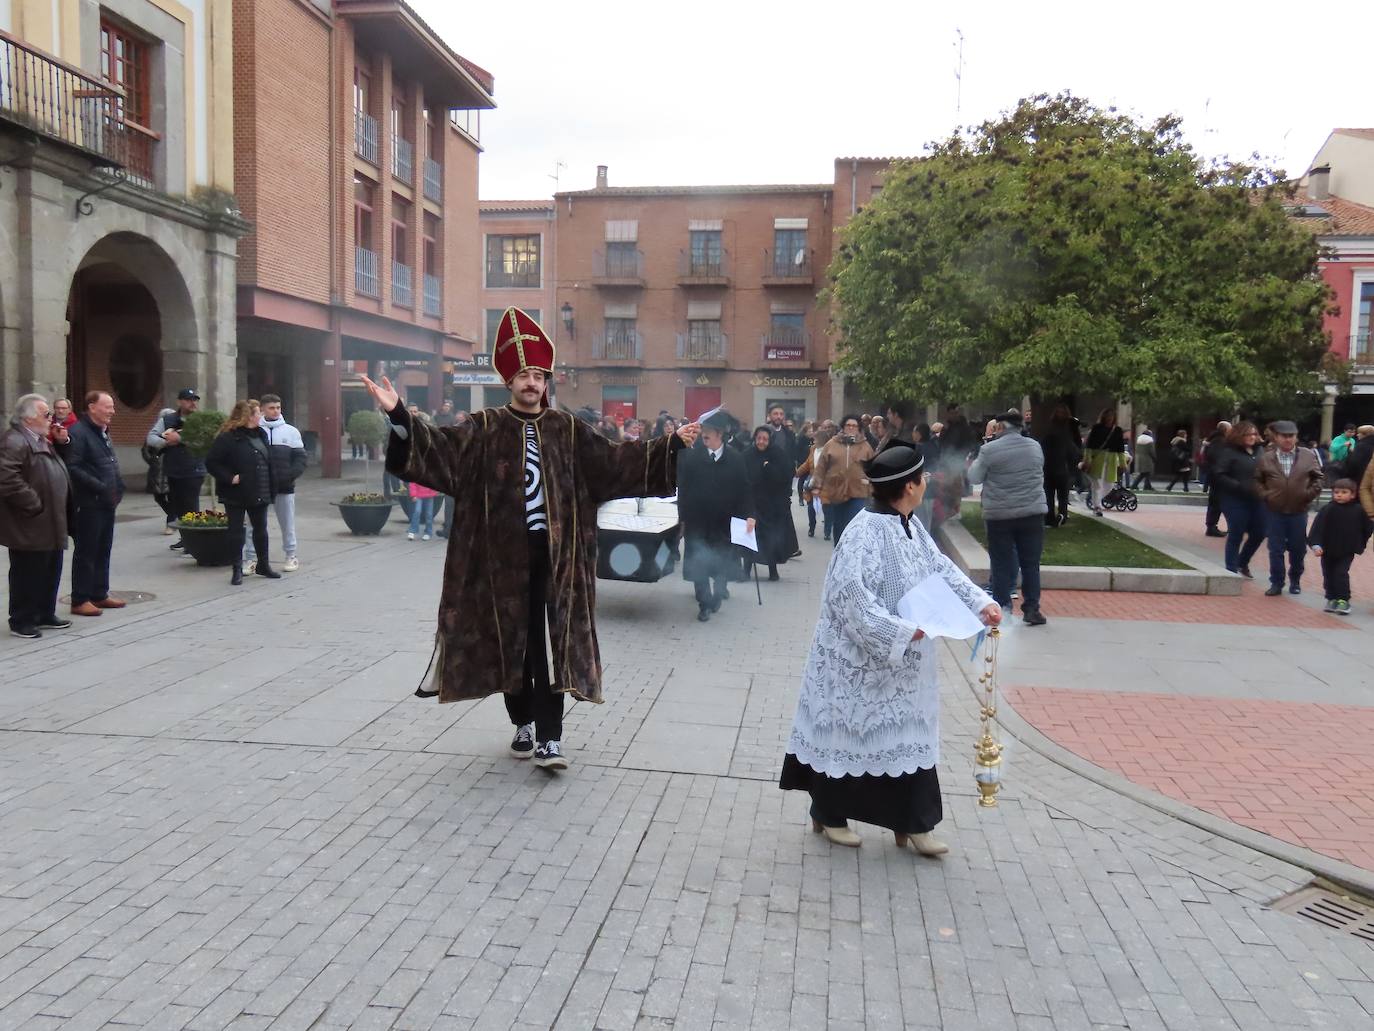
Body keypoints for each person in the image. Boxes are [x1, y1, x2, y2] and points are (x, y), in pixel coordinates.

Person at [361, 307, 700, 771]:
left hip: (558, 556)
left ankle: (550, 737)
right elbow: (436, 451)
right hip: (500, 557)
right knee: (512, 641)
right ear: (509, 380)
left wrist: (671, 444)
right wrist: (399, 414)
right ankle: (522, 720)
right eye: (524, 374)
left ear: (547, 381)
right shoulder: (482, 428)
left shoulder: (569, 430)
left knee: (550, 642)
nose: (532, 382)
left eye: (539, 375)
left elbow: (615, 462)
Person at [780, 441, 1001, 854]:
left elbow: (941, 569)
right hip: (859, 666)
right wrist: (901, 631)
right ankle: (827, 814)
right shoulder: (862, 533)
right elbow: (850, 600)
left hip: (906, 669)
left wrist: (980, 602)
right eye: (922, 478)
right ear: (910, 486)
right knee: (850, 735)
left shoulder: (910, 523)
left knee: (908, 739)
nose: (926, 483)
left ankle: (913, 823)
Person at [0, 394, 73, 639]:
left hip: (49, 519)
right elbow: (7, 478)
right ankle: (22, 620)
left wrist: (62, 444)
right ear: (29, 418)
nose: (51, 418)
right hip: (30, 521)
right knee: (27, 572)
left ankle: (44, 613)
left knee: (49, 568)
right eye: (46, 414)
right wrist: (33, 503)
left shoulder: (40, 438)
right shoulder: (14, 440)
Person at [969, 410, 1048, 625]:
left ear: (1000, 428)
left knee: (1001, 563)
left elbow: (974, 477)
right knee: (1031, 564)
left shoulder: (989, 450)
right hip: (1032, 513)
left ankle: (1003, 608)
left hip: (999, 515)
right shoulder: (1035, 447)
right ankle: (1032, 608)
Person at [679, 412, 754, 621]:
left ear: (720, 434)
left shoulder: (736, 459)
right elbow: (683, 489)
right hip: (697, 522)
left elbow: (745, 490)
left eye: (709, 431)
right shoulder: (692, 458)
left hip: (724, 523)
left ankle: (720, 590)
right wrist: (682, 518)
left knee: (722, 560)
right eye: (703, 430)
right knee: (699, 561)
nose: (704, 434)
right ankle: (704, 604)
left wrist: (750, 515)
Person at [63, 392, 126, 616]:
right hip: (88, 503)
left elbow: (109, 461)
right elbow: (73, 467)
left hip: (106, 502)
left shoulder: (102, 431)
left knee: (103, 549)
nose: (112, 411)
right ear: (92, 407)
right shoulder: (79, 433)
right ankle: (80, 599)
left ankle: (99, 594)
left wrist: (119, 486)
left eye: (112, 407)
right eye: (107, 407)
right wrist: (100, 486)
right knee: (87, 552)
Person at [206, 400, 281, 587]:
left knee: (261, 529)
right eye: (257, 413)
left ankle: (263, 565)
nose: (260, 416)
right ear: (247, 416)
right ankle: (237, 569)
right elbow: (212, 462)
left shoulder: (261, 434)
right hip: (236, 492)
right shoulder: (228, 437)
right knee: (236, 532)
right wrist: (230, 477)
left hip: (259, 488)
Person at [1255, 420, 1323, 597]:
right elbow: (1257, 480)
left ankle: (1295, 580)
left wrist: (1308, 494)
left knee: (1298, 548)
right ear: (1276, 438)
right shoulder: (1266, 457)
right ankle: (1276, 582)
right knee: (1275, 549)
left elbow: (1318, 478)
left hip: (1298, 510)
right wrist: (1266, 495)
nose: (1287, 440)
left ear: (1296, 437)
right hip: (1274, 510)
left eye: (1291, 436)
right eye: (1284, 436)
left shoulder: (1307, 455)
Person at [244, 394, 306, 574]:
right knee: (253, 525)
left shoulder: (291, 431)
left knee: (287, 523)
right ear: (262, 409)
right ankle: (250, 559)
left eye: (278, 407)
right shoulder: (253, 431)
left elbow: (300, 458)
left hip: (284, 486)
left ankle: (291, 555)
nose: (276, 411)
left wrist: (289, 476)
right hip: (259, 487)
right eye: (272, 408)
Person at [146, 388, 206, 544]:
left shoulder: (200, 420)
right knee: (178, 506)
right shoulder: (168, 419)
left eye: (194, 400)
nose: (192, 403)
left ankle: (194, 541)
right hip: (173, 469)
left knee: (191, 506)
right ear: (179, 402)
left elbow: (204, 440)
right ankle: (185, 539)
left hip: (194, 469)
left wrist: (180, 438)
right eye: (188, 400)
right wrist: (166, 442)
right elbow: (151, 438)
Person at [1208, 421, 1266, 577]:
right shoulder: (1229, 452)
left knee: (1260, 532)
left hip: (1257, 498)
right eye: (1248, 434)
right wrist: (1238, 485)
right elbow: (1219, 474)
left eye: (1254, 434)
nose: (1252, 437)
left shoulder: (1260, 451)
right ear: (1239, 435)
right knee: (1237, 532)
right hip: (1234, 499)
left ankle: (1243, 562)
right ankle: (1231, 570)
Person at [1309, 478, 1372, 614]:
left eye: (1344, 492)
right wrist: (1316, 544)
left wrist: (1359, 543)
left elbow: (1367, 528)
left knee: (1340, 573)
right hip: (1327, 550)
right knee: (1328, 574)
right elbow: (1317, 528)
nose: (1339, 495)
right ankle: (1331, 598)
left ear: (1353, 494)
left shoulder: (1358, 510)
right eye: (1336, 492)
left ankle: (1343, 600)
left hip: (1346, 551)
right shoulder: (1328, 509)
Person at [743, 426, 793, 581]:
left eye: (765, 439)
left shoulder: (777, 454)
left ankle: (773, 570)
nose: (761, 442)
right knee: (750, 537)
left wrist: (768, 468)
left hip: (772, 504)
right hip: (752, 503)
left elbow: (785, 476)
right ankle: (746, 571)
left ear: (769, 440)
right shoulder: (747, 455)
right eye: (758, 438)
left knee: (770, 538)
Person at [816, 415, 875, 544]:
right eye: (848, 425)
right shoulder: (832, 444)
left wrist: (872, 487)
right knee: (838, 525)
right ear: (843, 427)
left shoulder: (865, 446)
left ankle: (852, 553)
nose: (851, 428)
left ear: (859, 428)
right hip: (836, 491)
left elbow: (873, 469)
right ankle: (839, 551)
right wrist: (817, 484)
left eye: (854, 426)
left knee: (853, 523)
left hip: (858, 491)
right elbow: (821, 466)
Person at [1038, 403, 1081, 528]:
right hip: (1054, 463)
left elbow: (1076, 444)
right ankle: (1053, 516)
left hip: (1061, 463)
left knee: (1060, 493)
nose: (1060, 414)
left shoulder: (1069, 426)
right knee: (1051, 493)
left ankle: (1060, 515)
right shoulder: (1052, 428)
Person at [1081, 408, 1126, 514]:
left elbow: (1120, 449)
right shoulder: (1097, 428)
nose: (1109, 418)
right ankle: (1097, 507)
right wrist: (1087, 459)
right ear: (1103, 417)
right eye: (1107, 415)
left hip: (1111, 460)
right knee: (1096, 483)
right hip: (1098, 459)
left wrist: (1123, 463)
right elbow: (1089, 445)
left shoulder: (1118, 430)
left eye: (1111, 416)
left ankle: (1095, 498)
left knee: (1109, 484)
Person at [796, 422, 835, 540]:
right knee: (810, 506)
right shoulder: (813, 449)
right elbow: (807, 464)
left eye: (815, 439)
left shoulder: (830, 450)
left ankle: (827, 531)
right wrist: (796, 473)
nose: (813, 441)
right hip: (812, 481)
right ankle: (811, 528)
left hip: (826, 482)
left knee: (827, 508)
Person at [1199, 421, 1230, 537]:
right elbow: (1217, 459)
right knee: (1217, 502)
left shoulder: (1213, 440)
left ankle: (1212, 526)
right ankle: (1212, 526)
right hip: (1218, 477)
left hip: (1214, 476)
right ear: (1225, 430)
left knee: (1216, 502)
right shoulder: (1219, 441)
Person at [1131, 427, 1156, 491]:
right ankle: (1142, 486)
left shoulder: (1139, 440)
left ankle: (1145, 486)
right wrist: (1154, 458)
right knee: (1146, 473)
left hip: (1140, 458)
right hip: (1147, 459)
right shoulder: (1149, 440)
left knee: (1144, 473)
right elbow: (1151, 451)